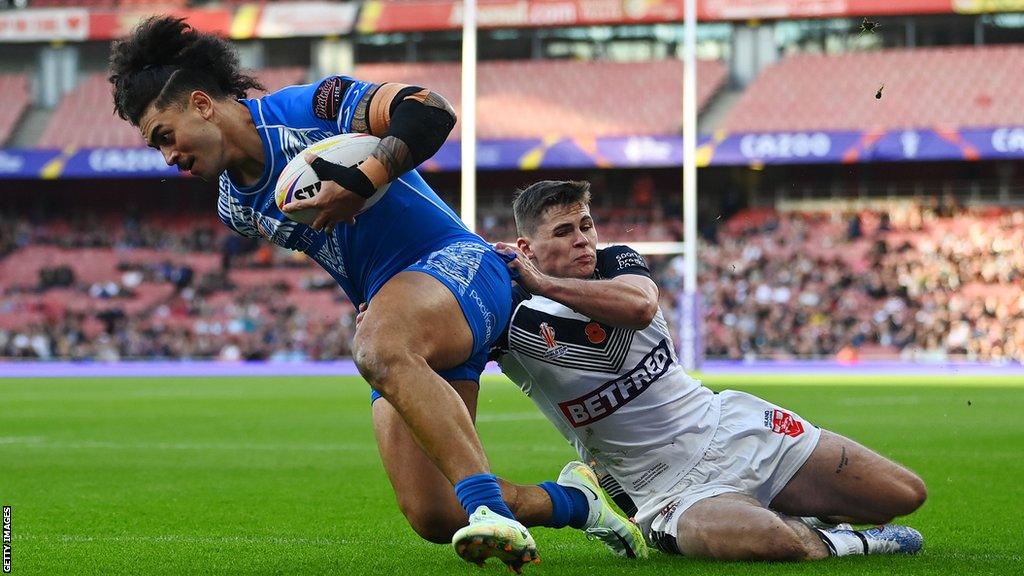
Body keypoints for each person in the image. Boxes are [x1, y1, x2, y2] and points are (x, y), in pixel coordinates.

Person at [107, 17, 644, 571]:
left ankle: (490, 512)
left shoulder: (308, 108)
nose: (167, 157)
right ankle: (578, 502)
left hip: (460, 265)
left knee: (381, 351)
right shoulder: (233, 207)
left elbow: (431, 111)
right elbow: (347, 252)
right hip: (404, 306)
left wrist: (362, 179)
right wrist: (376, 303)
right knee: (434, 516)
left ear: (201, 104)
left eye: (164, 137)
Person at [488, 180, 927, 561]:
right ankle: (856, 544)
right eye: (563, 232)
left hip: (730, 427)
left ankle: (792, 516)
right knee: (773, 542)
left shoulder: (616, 262)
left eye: (586, 225)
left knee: (904, 494)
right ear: (526, 248)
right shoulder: (507, 315)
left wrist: (542, 281)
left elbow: (640, 308)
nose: (582, 239)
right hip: (666, 487)